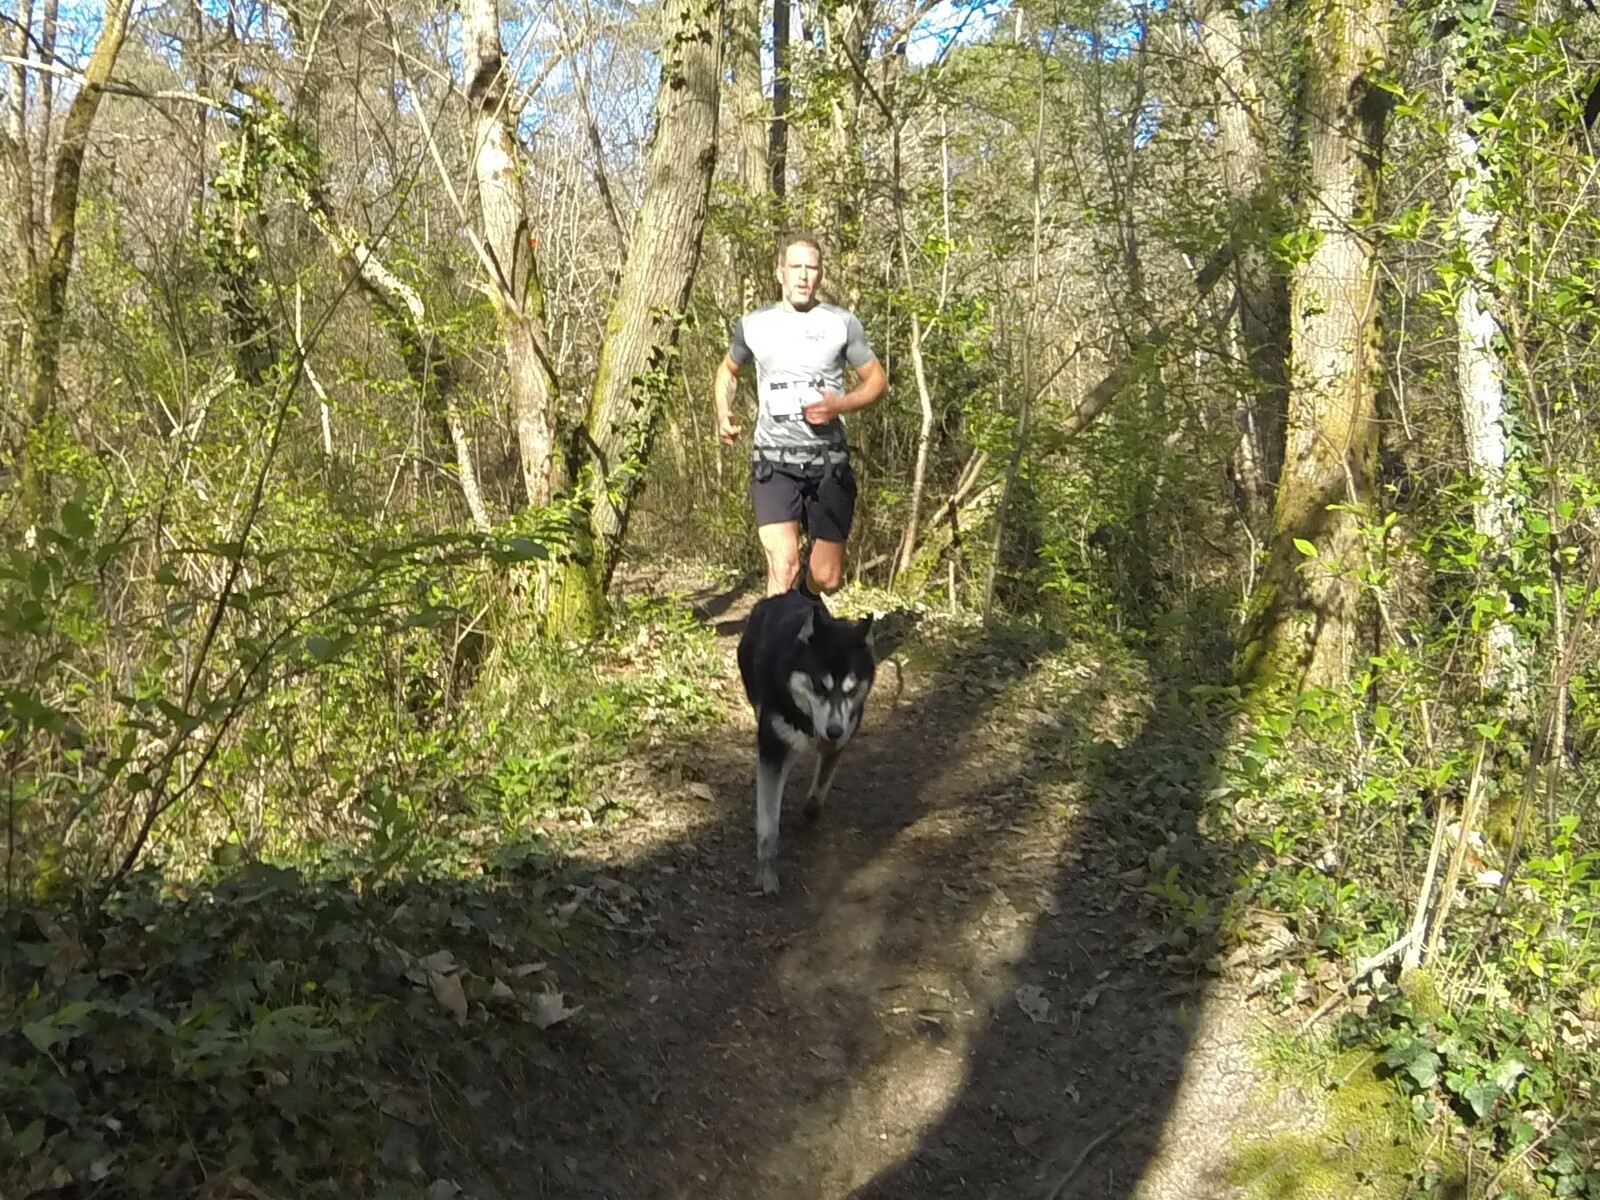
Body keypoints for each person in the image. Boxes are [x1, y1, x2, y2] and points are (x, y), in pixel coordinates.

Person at [713, 234, 888, 597]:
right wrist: (723, 411)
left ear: (821, 274)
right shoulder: (754, 324)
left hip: (828, 463)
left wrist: (840, 405)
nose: (804, 276)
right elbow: (728, 370)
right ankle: (780, 633)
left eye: (812, 268)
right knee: (783, 565)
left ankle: (804, 602)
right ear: (780, 272)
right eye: (796, 267)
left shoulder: (842, 323)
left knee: (827, 578)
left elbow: (877, 381)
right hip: (773, 463)